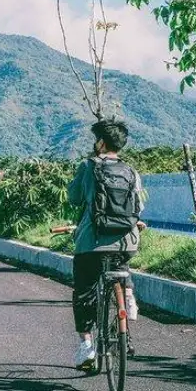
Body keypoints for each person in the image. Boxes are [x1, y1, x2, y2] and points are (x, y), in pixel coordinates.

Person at [68, 119, 146, 370]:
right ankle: (127, 295)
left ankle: (87, 347)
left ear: (101, 142)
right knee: (121, 265)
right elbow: (138, 207)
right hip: (126, 241)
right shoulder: (131, 171)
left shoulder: (88, 166)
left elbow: (74, 197)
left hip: (92, 243)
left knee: (84, 291)